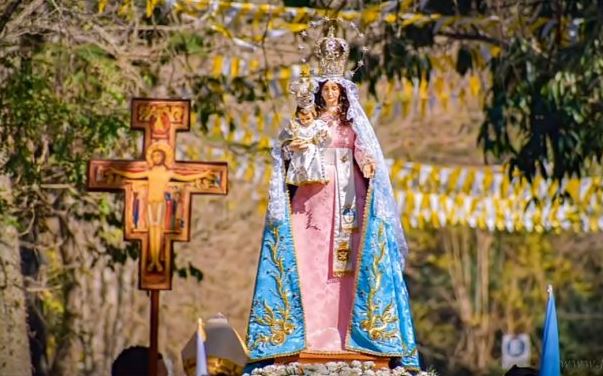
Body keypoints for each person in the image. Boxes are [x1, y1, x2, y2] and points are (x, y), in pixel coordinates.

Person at [246, 26, 420, 371]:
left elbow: (363, 152)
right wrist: (291, 149)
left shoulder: (352, 126)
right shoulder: (304, 123)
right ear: (318, 92)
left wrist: (368, 165)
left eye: (334, 90)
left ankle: (349, 335)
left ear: (343, 93)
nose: (328, 95)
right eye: (324, 89)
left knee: (346, 266)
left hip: (347, 202)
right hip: (311, 200)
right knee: (309, 260)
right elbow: (283, 151)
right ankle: (307, 336)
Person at [108, 142, 216, 272]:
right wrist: (116, 171)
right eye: (154, 156)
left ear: (163, 157)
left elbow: (185, 177)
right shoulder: (149, 171)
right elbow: (133, 175)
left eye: (159, 156)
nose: (156, 158)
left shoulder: (168, 173)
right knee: (151, 230)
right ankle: (154, 260)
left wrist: (201, 175)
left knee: (157, 231)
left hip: (160, 204)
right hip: (149, 203)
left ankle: (156, 260)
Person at [279, 76, 330, 186]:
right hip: (299, 151)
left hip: (312, 149)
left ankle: (316, 175)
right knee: (299, 161)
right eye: (302, 119)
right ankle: (299, 177)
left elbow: (325, 136)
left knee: (313, 153)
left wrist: (319, 138)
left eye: (308, 119)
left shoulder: (318, 124)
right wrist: (290, 140)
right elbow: (283, 139)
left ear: (314, 115)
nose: (305, 122)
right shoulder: (296, 125)